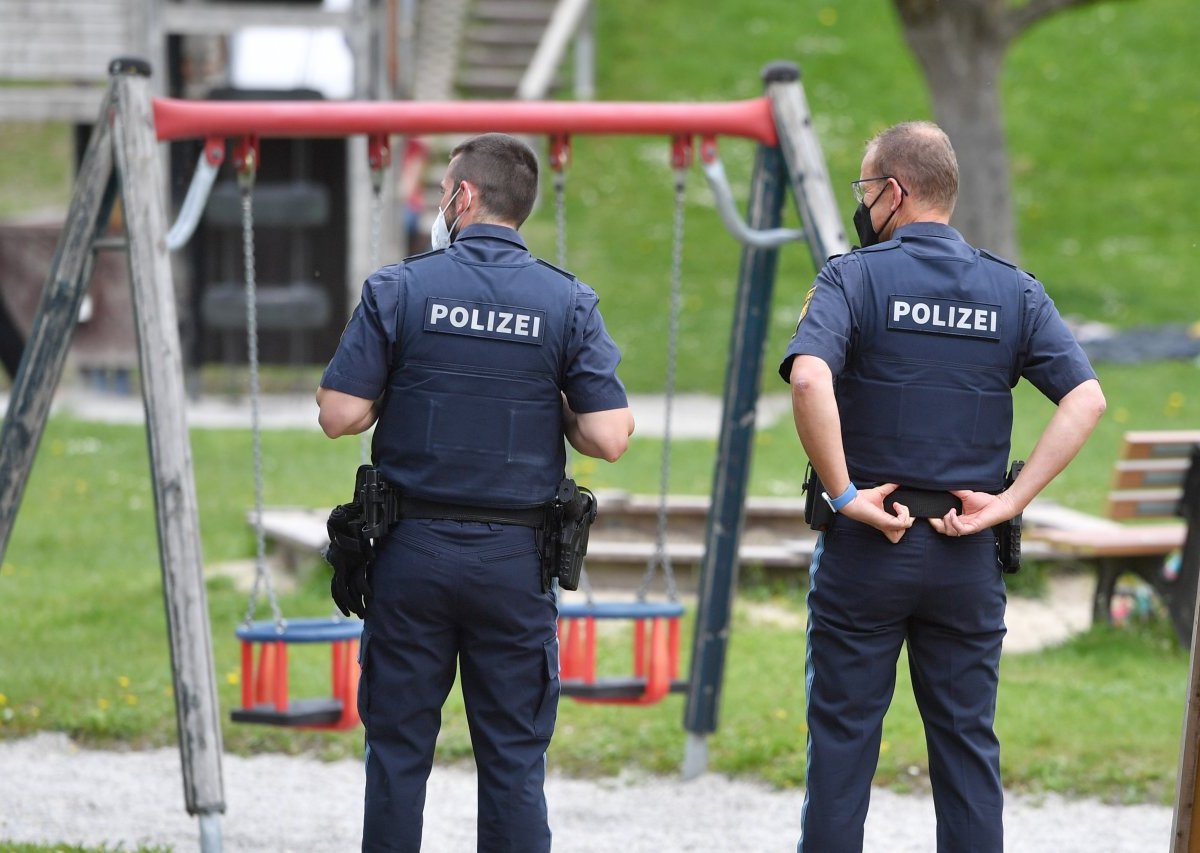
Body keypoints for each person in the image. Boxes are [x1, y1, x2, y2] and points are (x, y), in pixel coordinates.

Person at [779, 121, 1106, 852]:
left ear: (894, 191)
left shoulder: (850, 278)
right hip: (966, 556)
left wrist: (843, 494)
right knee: (966, 752)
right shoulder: (1013, 289)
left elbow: (808, 375)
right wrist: (1013, 502)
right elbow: (1086, 398)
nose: (863, 204)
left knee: (841, 749)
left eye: (867, 188)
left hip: (869, 544)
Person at [316, 132, 634, 852]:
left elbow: (339, 414)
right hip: (514, 564)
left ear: (463, 197)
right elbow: (609, 435)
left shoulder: (399, 288)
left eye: (441, 194)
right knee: (515, 760)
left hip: (411, 555)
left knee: (397, 756)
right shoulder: (566, 301)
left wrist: (392, 389)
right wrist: (541, 394)